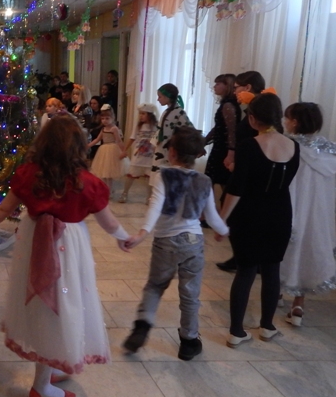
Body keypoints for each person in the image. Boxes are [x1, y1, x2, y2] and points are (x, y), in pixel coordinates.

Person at [0, 114, 130, 397]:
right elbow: (108, 222)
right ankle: (41, 386)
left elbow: (2, 210)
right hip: (68, 247)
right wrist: (124, 237)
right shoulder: (87, 182)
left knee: (45, 304)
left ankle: (50, 365)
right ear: (78, 146)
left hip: (35, 243)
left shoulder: (30, 174)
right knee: (60, 305)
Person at [122, 127, 230, 360]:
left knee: (155, 286)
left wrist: (142, 233)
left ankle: (142, 326)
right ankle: (189, 341)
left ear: (171, 152)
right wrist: (223, 231)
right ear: (198, 154)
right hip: (193, 243)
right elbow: (212, 216)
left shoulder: (163, 175)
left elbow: (155, 205)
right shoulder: (204, 181)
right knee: (190, 294)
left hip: (166, 242)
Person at [218, 93, 299, 347]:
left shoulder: (249, 146)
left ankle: (236, 331)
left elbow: (236, 188)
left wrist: (222, 219)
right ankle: (267, 326)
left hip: (249, 215)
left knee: (246, 272)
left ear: (252, 118)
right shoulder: (293, 146)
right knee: (272, 270)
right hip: (280, 214)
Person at [279, 102, 336, 326]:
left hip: (289, 207)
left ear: (295, 122)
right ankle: (298, 305)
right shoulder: (330, 151)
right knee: (306, 253)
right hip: (317, 213)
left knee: (283, 251)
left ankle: (276, 293)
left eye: (287, 118)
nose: (284, 122)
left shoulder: (287, 146)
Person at [217, 71, 266, 272]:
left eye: (237, 87)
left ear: (248, 88)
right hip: (245, 164)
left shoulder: (259, 111)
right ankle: (240, 255)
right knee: (232, 207)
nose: (235, 91)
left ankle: (244, 257)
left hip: (250, 169)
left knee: (235, 209)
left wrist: (237, 160)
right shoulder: (252, 109)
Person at [204, 74, 240, 203]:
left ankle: (217, 210)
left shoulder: (228, 105)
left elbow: (231, 131)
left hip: (223, 149)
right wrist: (204, 142)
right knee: (214, 179)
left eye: (218, 84)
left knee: (219, 180)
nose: (214, 86)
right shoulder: (226, 104)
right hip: (220, 147)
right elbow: (218, 127)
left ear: (227, 86)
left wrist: (231, 152)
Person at [152, 83, 194, 180]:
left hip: (169, 149)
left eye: (160, 97)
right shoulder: (168, 111)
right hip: (162, 148)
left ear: (168, 97)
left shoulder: (179, 112)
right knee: (159, 174)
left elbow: (189, 128)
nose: (158, 99)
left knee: (166, 176)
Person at [120, 104, 158, 203]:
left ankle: (149, 197)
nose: (140, 116)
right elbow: (132, 138)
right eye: (140, 113)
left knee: (149, 177)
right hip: (138, 155)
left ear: (149, 114)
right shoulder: (138, 126)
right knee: (131, 174)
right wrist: (124, 150)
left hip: (150, 156)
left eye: (143, 114)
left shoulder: (156, 126)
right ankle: (124, 193)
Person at [89, 104, 126, 192]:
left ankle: (109, 190)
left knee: (109, 173)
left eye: (107, 118)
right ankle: (106, 189)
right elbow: (97, 139)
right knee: (104, 173)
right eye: (102, 119)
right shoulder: (103, 129)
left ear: (112, 118)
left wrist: (123, 151)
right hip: (104, 150)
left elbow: (119, 141)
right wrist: (88, 145)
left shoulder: (114, 129)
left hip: (112, 150)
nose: (104, 121)